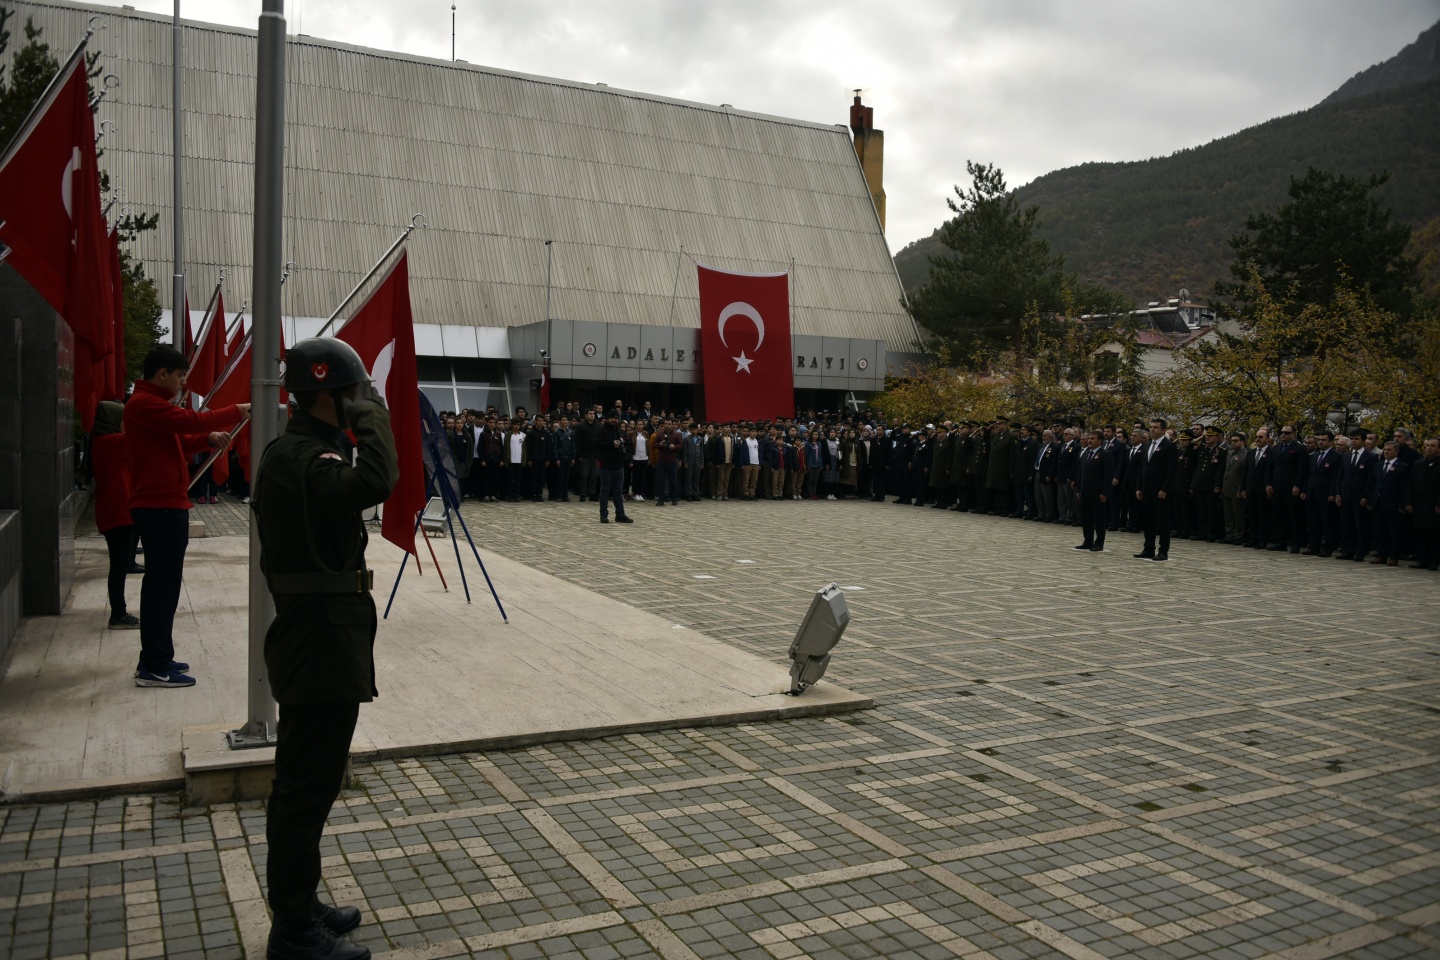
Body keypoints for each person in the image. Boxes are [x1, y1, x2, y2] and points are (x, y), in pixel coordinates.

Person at [253, 337, 395, 960]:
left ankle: (299, 904)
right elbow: (377, 480)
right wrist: (371, 414)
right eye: (352, 393)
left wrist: (352, 410)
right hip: (316, 639)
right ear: (327, 394)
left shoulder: (307, 451)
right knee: (305, 788)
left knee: (307, 782)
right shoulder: (299, 457)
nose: (361, 403)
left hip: (322, 632)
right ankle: (292, 932)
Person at [126, 345, 249, 687]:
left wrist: (207, 439)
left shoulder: (150, 406)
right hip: (159, 506)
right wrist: (235, 410)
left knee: (163, 587)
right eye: (180, 376)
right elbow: (189, 421)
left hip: (164, 504)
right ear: (161, 374)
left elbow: (178, 443)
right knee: (161, 589)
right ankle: (154, 664)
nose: (182, 383)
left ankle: (155, 656)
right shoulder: (146, 404)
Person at [91, 401, 141, 629]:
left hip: (120, 511)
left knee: (120, 564)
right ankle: (118, 615)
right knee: (118, 567)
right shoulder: (109, 443)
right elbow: (142, 436)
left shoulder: (105, 442)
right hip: (116, 512)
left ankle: (119, 613)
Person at [1136, 418, 1177, 561]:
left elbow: (1171, 470)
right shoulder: (1147, 446)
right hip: (1147, 489)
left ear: (1163, 430)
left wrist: (1164, 488)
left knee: (1163, 522)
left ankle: (1163, 550)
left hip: (1161, 490)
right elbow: (1142, 468)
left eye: (1156, 427)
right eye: (1151, 427)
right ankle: (1148, 548)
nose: (1152, 429)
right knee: (1148, 520)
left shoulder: (1169, 446)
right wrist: (1140, 487)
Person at [1405, 436, 1440, 570]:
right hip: (1419, 504)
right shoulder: (1418, 464)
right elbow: (1410, 483)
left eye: (1433, 446)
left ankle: (1433, 561)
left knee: (1434, 535)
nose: (1429, 448)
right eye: (1427, 446)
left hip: (1434, 505)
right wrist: (1408, 501)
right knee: (1420, 534)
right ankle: (1422, 559)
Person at [1074, 430, 1111, 552]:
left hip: (1097, 493)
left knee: (1099, 519)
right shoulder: (1085, 454)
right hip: (1085, 492)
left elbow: (1107, 476)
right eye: (1089, 438)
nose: (1089, 440)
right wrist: (1079, 489)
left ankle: (1099, 543)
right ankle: (1087, 541)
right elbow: (1081, 473)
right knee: (1086, 519)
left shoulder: (1105, 454)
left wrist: (1104, 492)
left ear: (1100, 441)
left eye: (1093, 438)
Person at [596, 410, 633, 523]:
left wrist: (622, 445)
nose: (614, 420)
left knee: (618, 491)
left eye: (616, 418)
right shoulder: (602, 430)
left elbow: (627, 443)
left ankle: (620, 514)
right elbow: (598, 444)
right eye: (612, 418)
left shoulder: (620, 431)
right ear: (608, 419)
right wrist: (611, 444)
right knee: (605, 490)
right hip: (605, 465)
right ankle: (603, 515)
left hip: (618, 465)